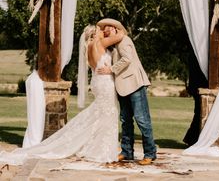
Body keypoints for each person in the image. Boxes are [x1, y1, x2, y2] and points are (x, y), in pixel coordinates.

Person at [0, 25, 124, 165]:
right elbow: (121, 35)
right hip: (105, 82)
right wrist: (117, 28)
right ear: (95, 34)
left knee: (102, 114)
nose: (104, 31)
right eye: (100, 29)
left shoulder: (89, 47)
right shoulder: (99, 43)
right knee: (108, 113)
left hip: (98, 82)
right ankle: (102, 151)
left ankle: (100, 148)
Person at [97, 18, 157, 165]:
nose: (106, 31)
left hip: (135, 85)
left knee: (142, 120)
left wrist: (110, 69)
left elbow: (127, 59)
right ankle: (127, 152)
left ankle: (150, 153)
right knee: (125, 121)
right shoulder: (114, 45)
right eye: (105, 29)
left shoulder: (124, 41)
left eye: (109, 28)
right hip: (122, 88)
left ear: (116, 29)